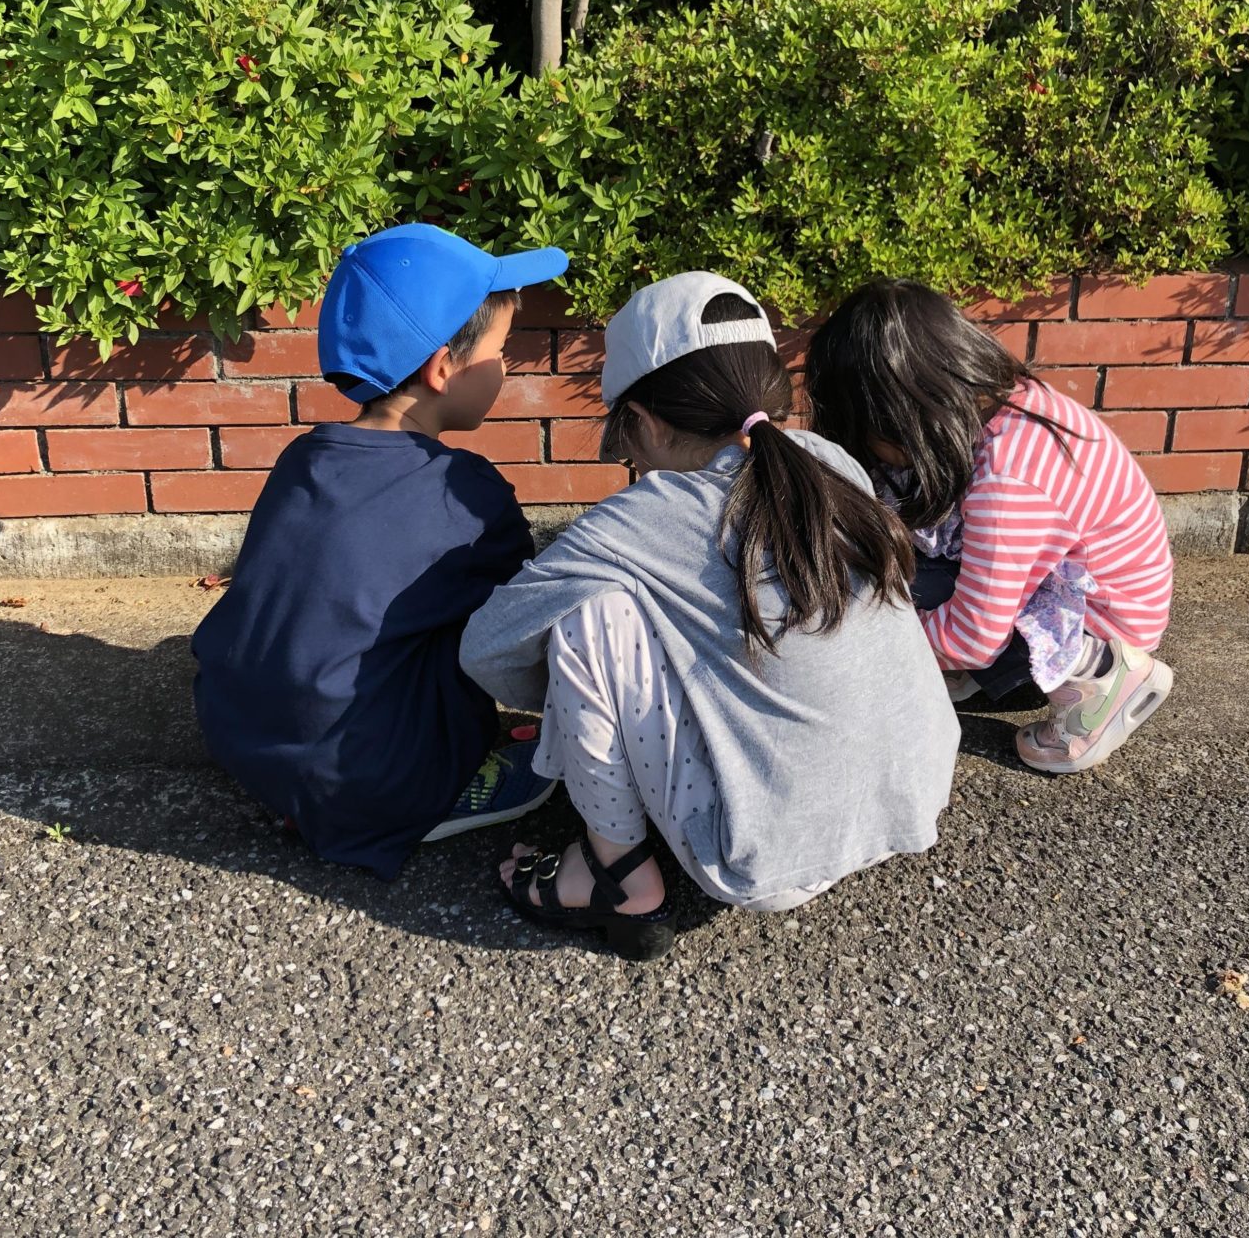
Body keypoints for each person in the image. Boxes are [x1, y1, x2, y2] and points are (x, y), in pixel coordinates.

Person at [459, 272, 960, 961]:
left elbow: (487, 647)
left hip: (762, 856)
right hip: (911, 801)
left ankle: (616, 876)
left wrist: (575, 716)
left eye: (625, 442)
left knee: (590, 617)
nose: (632, 461)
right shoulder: (829, 460)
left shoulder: (644, 518)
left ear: (644, 422)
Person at [192, 223, 570, 878]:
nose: (505, 367)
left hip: (241, 737)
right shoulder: (467, 493)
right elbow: (516, 631)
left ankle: (314, 785)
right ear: (442, 369)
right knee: (477, 622)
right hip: (368, 780)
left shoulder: (302, 458)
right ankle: (440, 791)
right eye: (501, 350)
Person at [804, 278, 1175, 776]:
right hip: (1076, 583)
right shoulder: (1007, 402)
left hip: (1102, 623)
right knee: (897, 567)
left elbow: (973, 636)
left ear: (901, 420)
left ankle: (1101, 678)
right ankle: (972, 663)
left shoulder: (1008, 480)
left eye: (866, 437)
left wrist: (874, 643)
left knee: (892, 592)